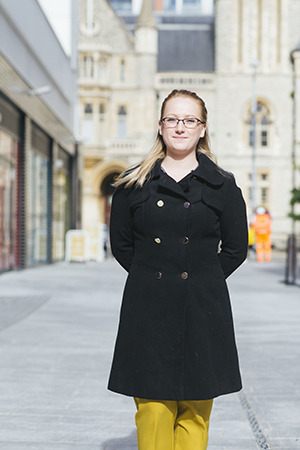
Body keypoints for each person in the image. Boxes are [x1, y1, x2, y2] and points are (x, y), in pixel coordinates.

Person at [108, 89, 248, 450]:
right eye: (173, 119)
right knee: (153, 410)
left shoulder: (223, 184)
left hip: (203, 307)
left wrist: (202, 277)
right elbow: (123, 246)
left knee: (195, 412)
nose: (180, 127)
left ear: (203, 128)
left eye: (190, 120)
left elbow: (236, 247)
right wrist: (154, 274)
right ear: (160, 126)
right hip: (149, 306)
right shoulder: (133, 183)